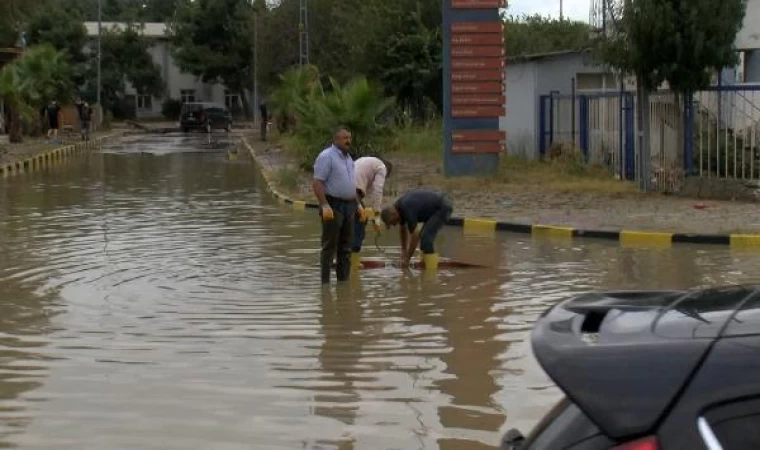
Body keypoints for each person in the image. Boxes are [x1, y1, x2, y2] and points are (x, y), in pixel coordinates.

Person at [312, 127, 367, 284]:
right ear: (336, 139)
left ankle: (343, 284)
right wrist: (324, 205)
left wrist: (358, 205)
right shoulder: (326, 157)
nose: (348, 141)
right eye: (344, 138)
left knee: (346, 247)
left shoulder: (349, 159)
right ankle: (325, 285)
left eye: (349, 137)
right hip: (333, 205)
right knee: (330, 246)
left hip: (349, 206)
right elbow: (317, 182)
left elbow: (351, 185)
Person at [379, 189, 453, 270]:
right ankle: (426, 266)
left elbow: (415, 236)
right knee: (424, 240)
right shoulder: (398, 208)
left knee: (426, 238)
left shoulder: (406, 208)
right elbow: (402, 229)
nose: (394, 225)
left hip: (442, 207)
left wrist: (407, 259)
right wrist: (404, 251)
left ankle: (431, 273)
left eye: (392, 222)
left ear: (394, 214)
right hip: (435, 206)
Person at [351, 156, 392, 255]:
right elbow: (377, 190)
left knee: (349, 223)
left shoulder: (367, 161)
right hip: (352, 192)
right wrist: (377, 215)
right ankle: (353, 257)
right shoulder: (382, 167)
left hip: (344, 189)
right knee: (361, 220)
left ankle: (341, 257)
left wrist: (372, 214)